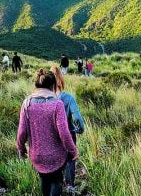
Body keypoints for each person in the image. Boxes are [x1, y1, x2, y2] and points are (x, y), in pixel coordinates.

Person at [17, 69, 78, 196]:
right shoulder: (57, 104)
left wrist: (21, 149)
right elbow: (64, 133)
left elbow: (22, 132)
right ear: (52, 86)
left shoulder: (27, 103)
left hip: (37, 155)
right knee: (56, 181)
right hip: (56, 156)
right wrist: (73, 151)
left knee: (44, 179)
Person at [51, 66, 86, 194]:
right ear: (61, 79)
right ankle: (70, 186)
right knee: (71, 158)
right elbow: (77, 117)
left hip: (52, 135)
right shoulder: (69, 98)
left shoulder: (46, 99)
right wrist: (80, 129)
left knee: (55, 161)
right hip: (69, 133)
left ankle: (57, 186)